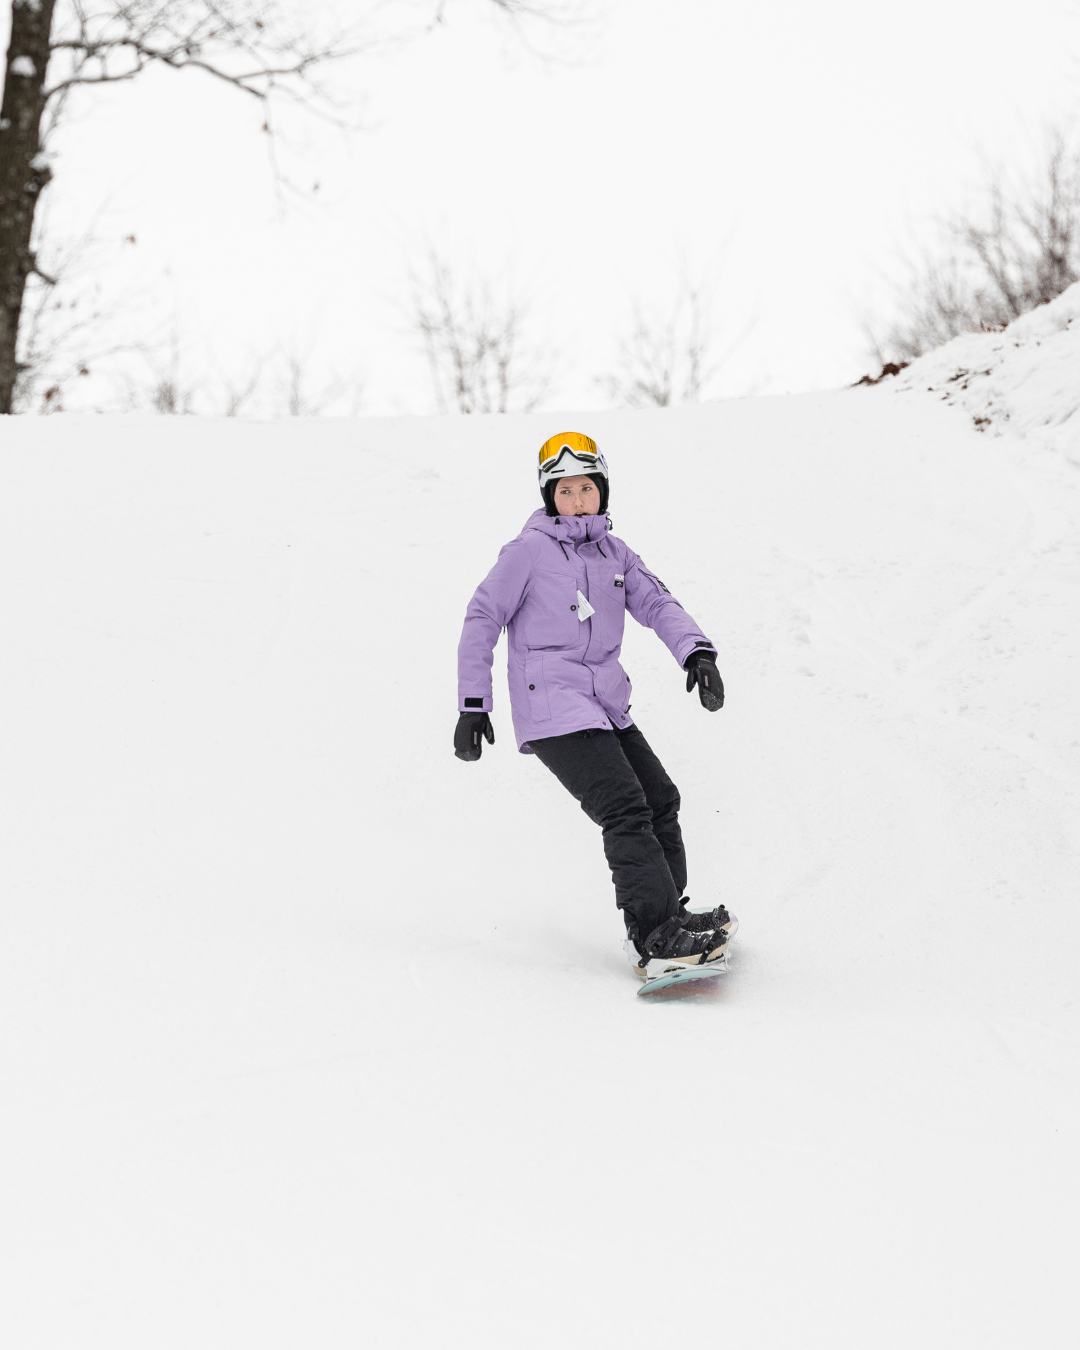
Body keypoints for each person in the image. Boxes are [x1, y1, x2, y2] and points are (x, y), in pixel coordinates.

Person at [454, 431, 735, 981]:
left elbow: (656, 601)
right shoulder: (528, 552)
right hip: (552, 705)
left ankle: (668, 916)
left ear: (601, 490)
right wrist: (473, 703)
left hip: (603, 702)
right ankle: (655, 936)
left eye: (586, 488)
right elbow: (481, 618)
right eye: (565, 492)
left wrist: (696, 653)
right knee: (624, 807)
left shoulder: (615, 552)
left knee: (659, 799)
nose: (577, 500)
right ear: (548, 498)